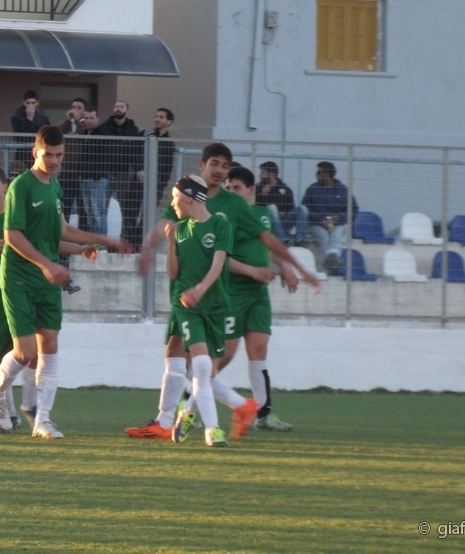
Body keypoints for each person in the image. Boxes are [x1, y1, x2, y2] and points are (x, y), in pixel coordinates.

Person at [128, 143, 321, 442]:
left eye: (225, 165)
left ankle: (228, 410)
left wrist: (297, 267)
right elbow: (165, 225)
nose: (220, 170)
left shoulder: (232, 206)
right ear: (202, 165)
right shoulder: (186, 196)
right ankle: (175, 419)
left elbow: (266, 239)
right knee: (183, 354)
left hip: (212, 295)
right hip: (186, 293)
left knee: (205, 362)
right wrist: (147, 249)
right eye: (215, 164)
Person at [0, 125, 131, 439]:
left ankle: (43, 420)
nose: (53, 161)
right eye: (48, 154)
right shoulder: (21, 186)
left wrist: (93, 243)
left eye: (59, 155)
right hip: (19, 279)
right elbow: (12, 236)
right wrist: (48, 264)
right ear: (35, 152)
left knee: (49, 346)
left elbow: (60, 231)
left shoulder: (55, 188)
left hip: (47, 281)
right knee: (24, 353)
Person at [0, 163, 99, 434]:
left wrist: (80, 248)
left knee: (32, 351)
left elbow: (50, 239)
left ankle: (31, 405)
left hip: (28, 287)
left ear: (5, 186)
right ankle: (7, 413)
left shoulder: (20, 211)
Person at [174, 165, 298, 434]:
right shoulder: (220, 218)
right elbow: (220, 258)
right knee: (221, 358)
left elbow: (266, 246)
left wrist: (286, 266)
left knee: (259, 350)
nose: (231, 191)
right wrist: (252, 270)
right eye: (228, 187)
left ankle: (263, 413)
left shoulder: (261, 215)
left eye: (236, 188)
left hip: (258, 294)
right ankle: (189, 403)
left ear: (250, 191)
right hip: (231, 292)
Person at [160, 175, 236, 446]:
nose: (172, 204)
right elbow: (173, 273)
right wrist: (170, 243)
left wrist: (201, 290)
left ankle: (187, 414)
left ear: (189, 198)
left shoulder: (220, 225)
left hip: (213, 305)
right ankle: (212, 430)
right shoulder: (180, 229)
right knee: (202, 366)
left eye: (175, 198)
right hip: (186, 307)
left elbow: (218, 265)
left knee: (208, 375)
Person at [302, 161, 359, 275]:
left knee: (337, 233)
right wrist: (320, 220)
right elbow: (305, 209)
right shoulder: (312, 189)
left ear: (327, 174)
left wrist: (339, 218)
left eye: (319, 173)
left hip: (336, 224)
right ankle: (333, 260)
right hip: (317, 224)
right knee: (323, 236)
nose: (316, 175)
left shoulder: (343, 190)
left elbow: (353, 210)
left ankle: (330, 261)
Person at [99, 101, 143, 247]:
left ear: (127, 111)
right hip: (106, 173)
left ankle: (124, 241)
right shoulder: (104, 128)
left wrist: (138, 169)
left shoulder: (133, 130)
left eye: (121, 107)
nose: (118, 109)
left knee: (126, 208)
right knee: (102, 207)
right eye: (116, 106)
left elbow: (137, 152)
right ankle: (102, 241)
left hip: (124, 173)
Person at [255, 161, 308, 246]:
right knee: (272, 207)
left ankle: (300, 240)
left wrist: (284, 213)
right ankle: (283, 239)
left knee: (302, 209)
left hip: (284, 222)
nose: (260, 175)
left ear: (271, 174)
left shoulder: (285, 189)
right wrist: (262, 195)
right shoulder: (258, 188)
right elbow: (256, 209)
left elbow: (291, 208)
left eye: (263, 172)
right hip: (269, 224)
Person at [77, 107, 110, 235]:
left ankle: (101, 242)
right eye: (86, 118)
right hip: (85, 178)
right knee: (89, 214)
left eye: (91, 118)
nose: (88, 121)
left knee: (98, 212)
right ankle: (93, 241)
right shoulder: (85, 134)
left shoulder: (102, 133)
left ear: (98, 119)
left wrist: (96, 176)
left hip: (97, 179)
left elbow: (104, 157)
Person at [141, 107, 177, 205]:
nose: (157, 119)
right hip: (139, 182)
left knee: (150, 210)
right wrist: (138, 170)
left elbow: (168, 167)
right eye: (156, 116)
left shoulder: (169, 144)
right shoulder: (145, 134)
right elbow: (134, 153)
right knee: (131, 210)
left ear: (169, 122)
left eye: (161, 117)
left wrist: (162, 185)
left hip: (156, 185)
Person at [10, 90, 51, 166]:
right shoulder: (16, 117)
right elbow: (19, 136)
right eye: (28, 103)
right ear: (23, 102)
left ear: (37, 102)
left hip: (38, 154)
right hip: (23, 154)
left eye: (33, 103)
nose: (30, 106)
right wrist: (29, 119)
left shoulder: (43, 118)